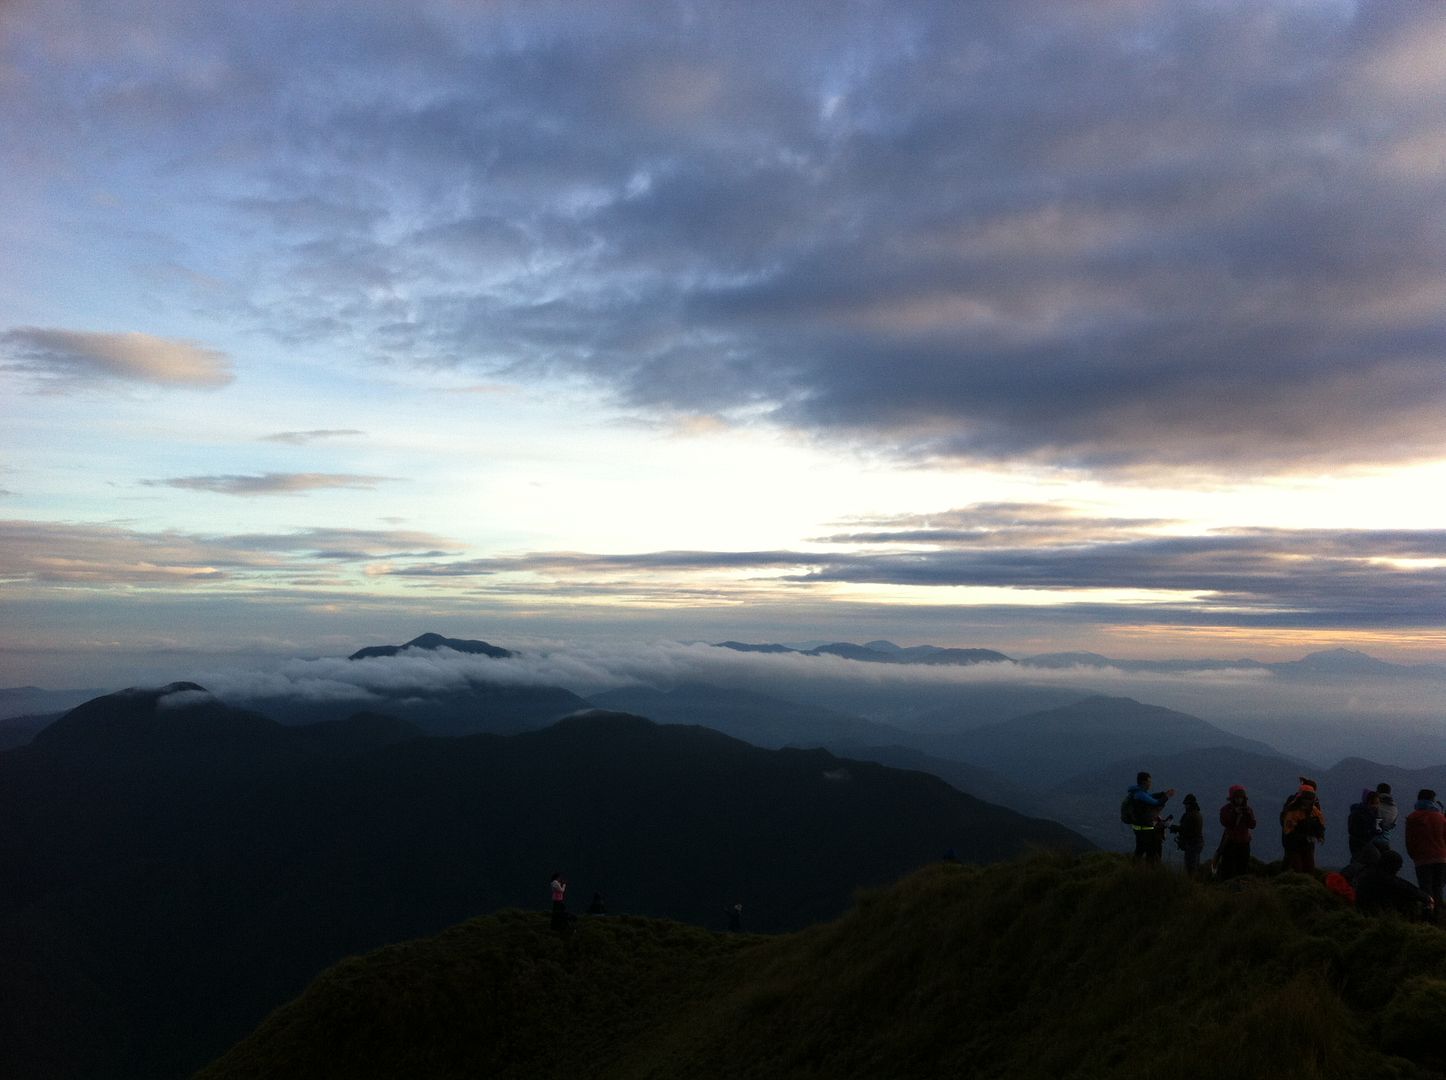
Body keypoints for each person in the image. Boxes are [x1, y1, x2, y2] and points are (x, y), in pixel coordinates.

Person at [1355, 849, 1433, 919]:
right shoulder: (1385, 879)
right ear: (1392, 865)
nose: (1399, 869)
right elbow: (1405, 887)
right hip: (1376, 914)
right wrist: (1426, 898)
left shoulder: (1370, 874)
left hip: (1362, 911)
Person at [1404, 789, 1446, 908]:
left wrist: (1413, 855)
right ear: (1432, 800)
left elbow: (1409, 840)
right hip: (1441, 858)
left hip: (1422, 859)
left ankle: (1427, 916)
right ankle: (1438, 916)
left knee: (1425, 889)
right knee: (1438, 888)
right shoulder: (1440, 817)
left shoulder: (1412, 818)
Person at [1125, 771, 1175, 863]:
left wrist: (1163, 794)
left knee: (1139, 850)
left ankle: (1133, 869)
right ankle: (1148, 872)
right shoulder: (1140, 794)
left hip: (1138, 828)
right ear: (1144, 782)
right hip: (1145, 829)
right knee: (1150, 852)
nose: (1150, 784)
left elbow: (1150, 796)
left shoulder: (1136, 792)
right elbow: (1156, 802)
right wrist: (1167, 796)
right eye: (1149, 782)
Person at [1280, 778, 1326, 873]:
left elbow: (1320, 823)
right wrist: (1308, 837)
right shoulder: (1292, 811)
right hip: (1293, 845)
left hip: (1307, 844)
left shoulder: (1314, 810)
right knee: (1297, 868)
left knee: (1309, 868)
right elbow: (1289, 832)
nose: (1307, 801)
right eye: (1305, 798)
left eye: (1309, 799)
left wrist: (1319, 834)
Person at [1217, 784, 1256, 880]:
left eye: (1241, 798)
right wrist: (1234, 814)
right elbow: (1225, 822)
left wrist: (1248, 815)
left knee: (1242, 868)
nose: (1239, 800)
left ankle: (1240, 889)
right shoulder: (1226, 809)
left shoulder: (1248, 810)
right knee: (1228, 868)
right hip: (1230, 842)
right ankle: (1227, 888)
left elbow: (1252, 825)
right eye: (1237, 798)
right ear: (1232, 798)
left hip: (1244, 842)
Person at [1170, 794, 1205, 876]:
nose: (1185, 806)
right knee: (1194, 865)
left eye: (1186, 804)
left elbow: (1185, 830)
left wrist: (1175, 828)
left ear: (1189, 805)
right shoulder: (1196, 814)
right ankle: (1194, 883)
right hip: (1197, 843)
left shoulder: (1191, 815)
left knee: (1191, 867)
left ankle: (1191, 884)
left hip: (1193, 844)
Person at [1347, 789, 1383, 860]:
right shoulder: (1358, 814)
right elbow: (1353, 831)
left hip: (1367, 842)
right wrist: (1370, 832)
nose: (1378, 806)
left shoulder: (1374, 814)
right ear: (1369, 802)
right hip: (1358, 844)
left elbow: (1379, 830)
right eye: (1376, 803)